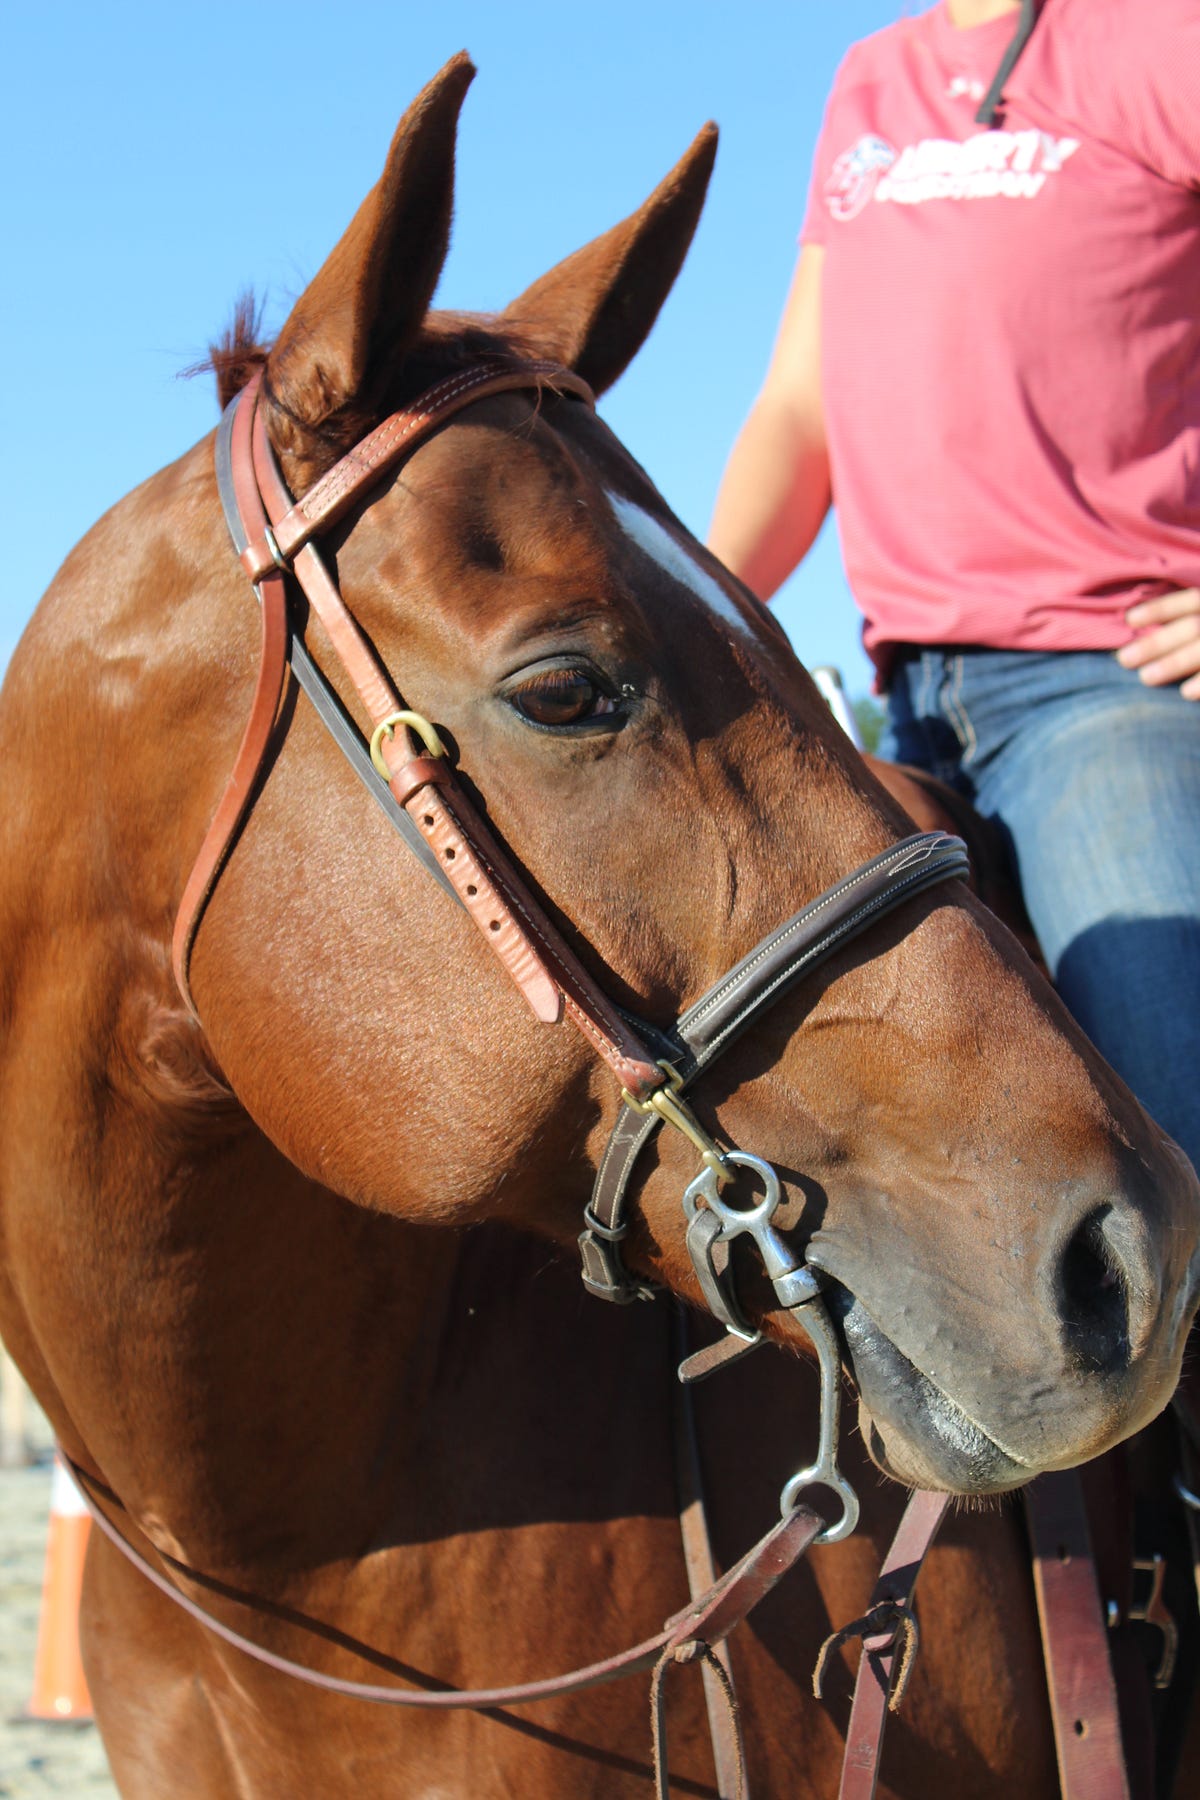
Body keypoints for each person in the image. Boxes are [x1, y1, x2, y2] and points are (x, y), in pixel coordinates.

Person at [709, 0, 1200, 1176]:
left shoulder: (1157, 37)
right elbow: (799, 404)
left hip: (1109, 682)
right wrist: (699, 623)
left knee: (1172, 1124)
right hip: (909, 708)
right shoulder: (870, 79)